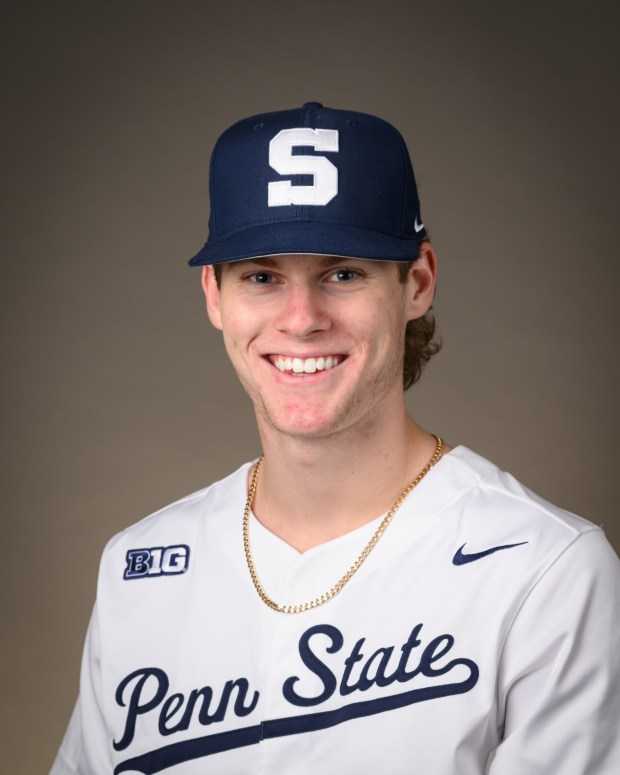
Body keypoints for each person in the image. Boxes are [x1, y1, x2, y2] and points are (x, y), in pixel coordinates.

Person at [51, 102, 620, 775]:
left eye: (342, 273)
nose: (302, 319)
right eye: (262, 277)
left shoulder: (547, 573)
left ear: (417, 282)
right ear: (214, 295)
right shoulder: (137, 569)